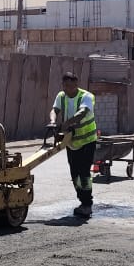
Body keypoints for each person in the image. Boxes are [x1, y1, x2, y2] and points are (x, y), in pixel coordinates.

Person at [49, 71, 99, 217]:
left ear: (76, 84)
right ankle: (81, 200)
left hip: (87, 141)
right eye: (65, 86)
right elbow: (55, 110)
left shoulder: (86, 97)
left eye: (71, 86)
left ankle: (87, 204)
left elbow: (82, 113)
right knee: (74, 174)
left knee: (84, 173)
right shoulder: (61, 96)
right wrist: (52, 121)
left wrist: (66, 124)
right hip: (71, 142)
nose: (68, 89)